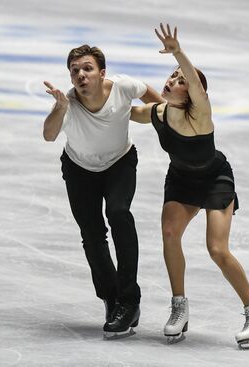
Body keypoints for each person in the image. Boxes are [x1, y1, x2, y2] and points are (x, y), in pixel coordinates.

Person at [130, 24, 249, 349]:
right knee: (170, 234)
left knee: (217, 249)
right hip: (181, 179)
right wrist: (92, 100)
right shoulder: (157, 113)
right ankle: (179, 307)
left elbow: (196, 84)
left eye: (181, 80)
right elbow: (126, 113)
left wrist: (179, 54)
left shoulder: (201, 115)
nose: (173, 81)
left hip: (214, 179)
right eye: (172, 76)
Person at [42, 44, 163, 339]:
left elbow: (149, 92)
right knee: (93, 234)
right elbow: (48, 135)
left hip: (119, 163)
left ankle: (130, 300)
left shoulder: (121, 87)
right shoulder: (68, 103)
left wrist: (165, 119)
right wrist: (59, 107)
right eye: (75, 71)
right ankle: (112, 299)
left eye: (87, 69)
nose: (81, 75)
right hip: (79, 169)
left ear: (101, 73)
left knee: (119, 213)